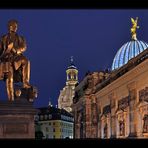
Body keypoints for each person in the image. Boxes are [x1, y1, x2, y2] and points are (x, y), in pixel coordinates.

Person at [0, 19, 31, 101]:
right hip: (7, 60)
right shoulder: (3, 38)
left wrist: (15, 49)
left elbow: (24, 47)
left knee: (26, 61)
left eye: (16, 26)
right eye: (13, 26)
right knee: (9, 78)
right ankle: (11, 99)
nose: (15, 28)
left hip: (16, 57)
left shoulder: (20, 38)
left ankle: (25, 82)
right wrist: (7, 50)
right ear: (9, 27)